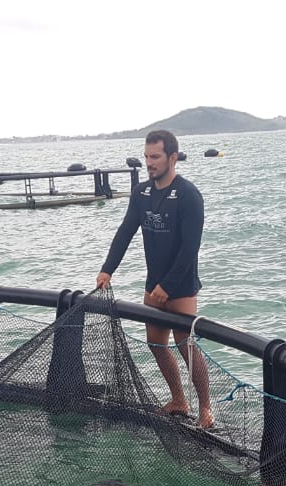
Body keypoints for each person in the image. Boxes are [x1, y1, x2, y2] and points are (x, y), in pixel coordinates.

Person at [96, 130, 213, 428]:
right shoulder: (141, 194)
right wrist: (107, 269)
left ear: (172, 157)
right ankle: (178, 399)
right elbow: (125, 232)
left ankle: (206, 410)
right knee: (156, 343)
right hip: (153, 284)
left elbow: (190, 249)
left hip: (182, 286)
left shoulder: (189, 195)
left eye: (156, 157)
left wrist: (168, 287)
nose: (149, 163)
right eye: (147, 156)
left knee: (185, 344)